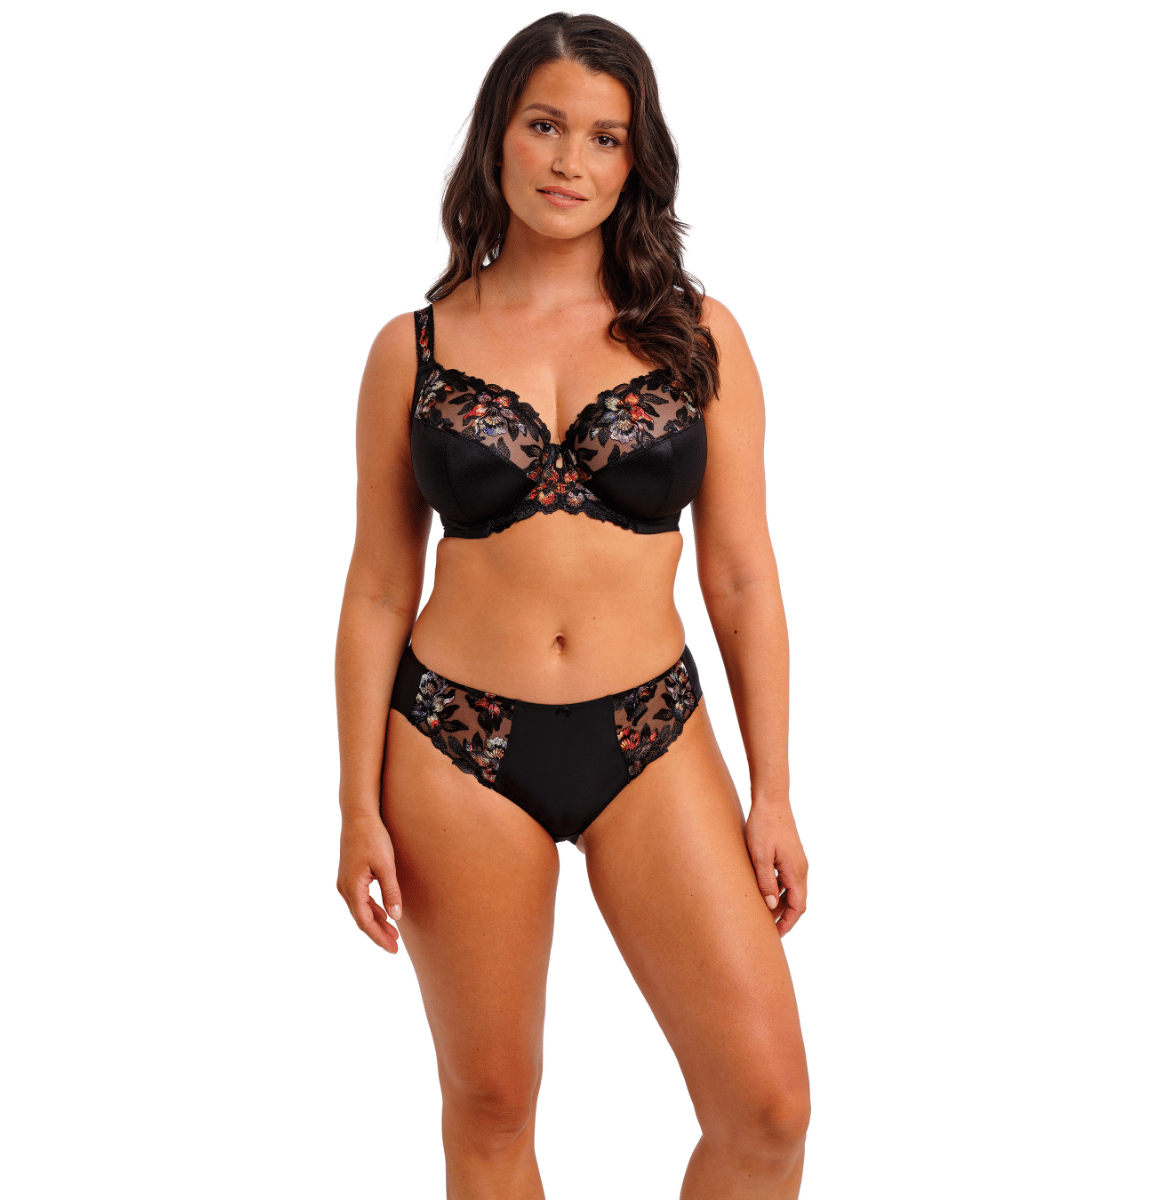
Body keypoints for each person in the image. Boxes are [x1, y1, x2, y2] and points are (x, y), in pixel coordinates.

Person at [335, 12, 810, 1198]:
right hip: (455, 741)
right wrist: (354, 806)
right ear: (499, 134)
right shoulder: (412, 348)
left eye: (606, 138)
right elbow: (379, 585)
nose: (570, 162)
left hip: (651, 732)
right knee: (491, 1105)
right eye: (546, 126)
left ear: (636, 160)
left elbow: (742, 574)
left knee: (767, 1109)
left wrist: (773, 791)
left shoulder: (698, 336)